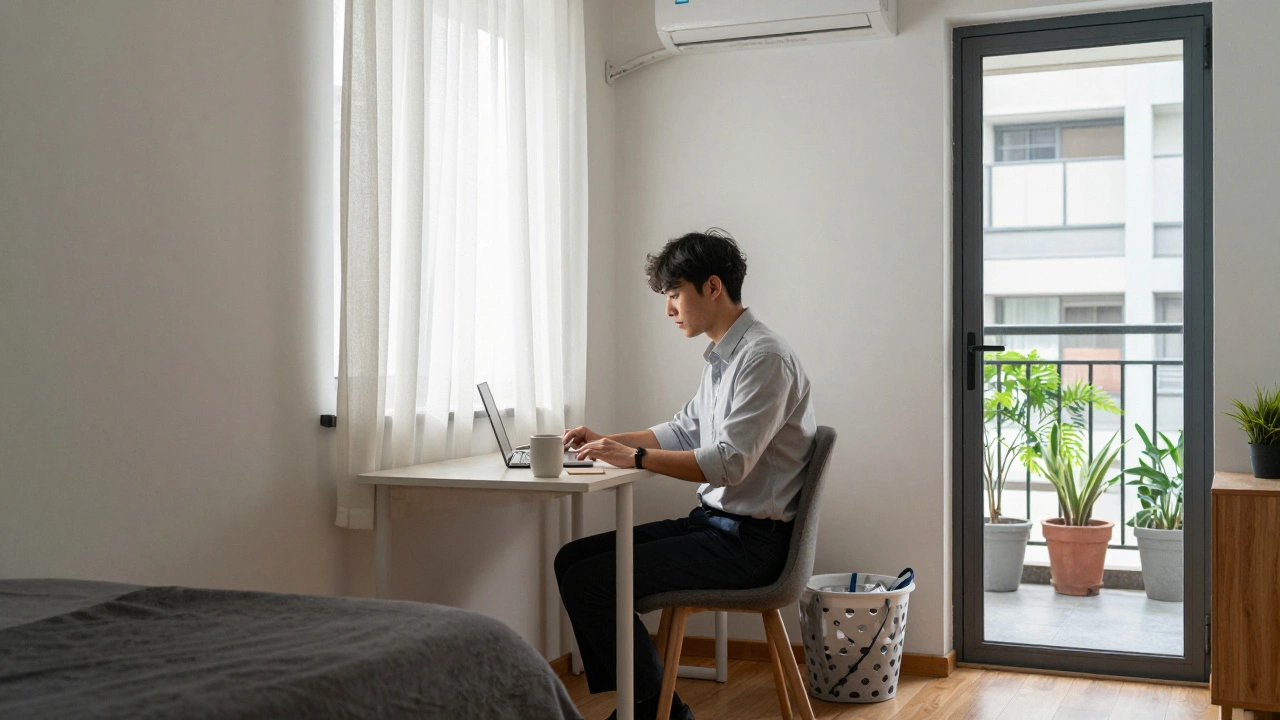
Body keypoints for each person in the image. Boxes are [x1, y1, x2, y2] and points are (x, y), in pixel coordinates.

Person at [556, 229, 817, 720]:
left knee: (593, 580)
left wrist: (631, 459)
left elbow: (728, 463)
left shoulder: (764, 358)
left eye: (675, 294)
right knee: (572, 560)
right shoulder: (723, 359)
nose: (670, 309)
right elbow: (681, 430)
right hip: (717, 527)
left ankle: (653, 709)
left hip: (753, 546)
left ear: (713, 287)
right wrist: (607, 441)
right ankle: (654, 705)